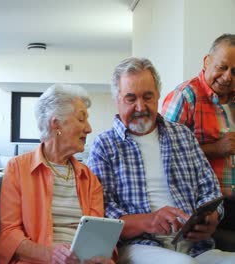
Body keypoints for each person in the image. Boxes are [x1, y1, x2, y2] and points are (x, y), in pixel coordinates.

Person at [87, 57, 235, 264]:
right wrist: (149, 221)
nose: (141, 107)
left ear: (158, 95)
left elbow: (210, 190)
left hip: (196, 247)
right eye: (131, 99)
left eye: (148, 97)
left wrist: (211, 218)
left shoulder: (183, 135)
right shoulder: (104, 146)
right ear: (117, 99)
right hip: (140, 246)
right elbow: (100, 213)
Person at [0, 84, 115, 264]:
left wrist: (104, 257)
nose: (89, 129)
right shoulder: (18, 168)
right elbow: (9, 234)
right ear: (56, 123)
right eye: (81, 119)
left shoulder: (89, 179)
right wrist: (49, 254)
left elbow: (98, 234)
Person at [162, 34, 235, 231]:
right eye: (222, 67)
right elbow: (166, 154)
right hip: (206, 207)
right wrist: (215, 149)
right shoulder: (185, 97)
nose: (228, 77)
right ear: (206, 62)